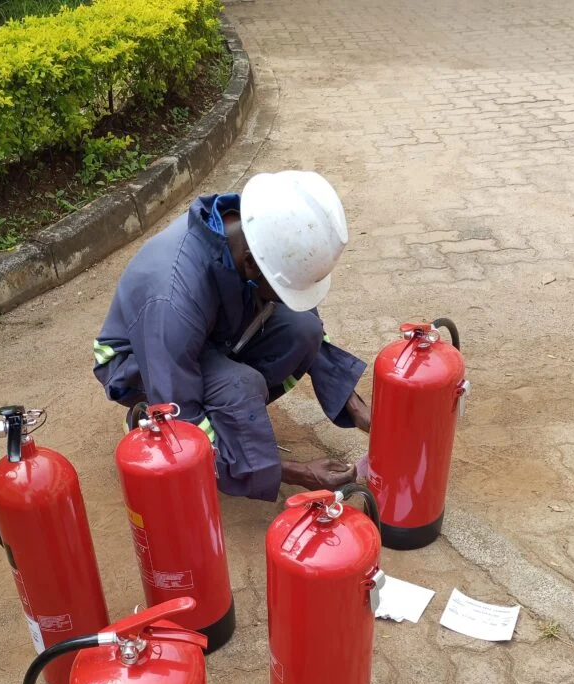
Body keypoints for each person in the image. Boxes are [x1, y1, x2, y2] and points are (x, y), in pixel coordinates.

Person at [92, 170, 370, 501]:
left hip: (205, 336)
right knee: (239, 384)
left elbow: (303, 322)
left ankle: (234, 424)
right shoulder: (171, 300)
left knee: (303, 329)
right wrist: (294, 472)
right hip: (138, 362)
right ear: (252, 265)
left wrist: (354, 406)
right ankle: (150, 417)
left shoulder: (249, 232)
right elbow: (180, 409)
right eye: (282, 290)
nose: (282, 299)